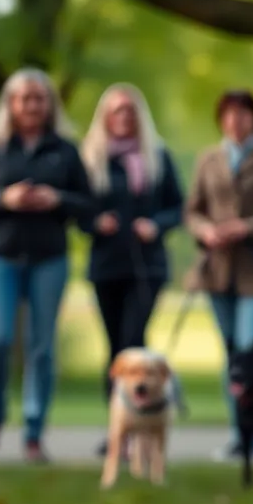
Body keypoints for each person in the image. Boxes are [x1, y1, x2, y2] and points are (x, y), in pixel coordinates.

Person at [0, 67, 95, 462]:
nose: (32, 105)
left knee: (41, 347)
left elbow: (88, 205)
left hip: (49, 258)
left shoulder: (65, 150)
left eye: (39, 98)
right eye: (24, 98)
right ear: (11, 104)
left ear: (49, 104)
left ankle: (34, 430)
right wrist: (3, 198)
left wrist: (58, 200)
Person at [184, 90, 253, 460]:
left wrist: (247, 226)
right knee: (232, 353)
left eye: (243, 114)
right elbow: (193, 210)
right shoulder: (208, 159)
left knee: (250, 347)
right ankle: (241, 434)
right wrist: (206, 230)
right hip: (217, 271)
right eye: (229, 114)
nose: (236, 121)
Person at [79, 84, 184, 456]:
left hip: (147, 267)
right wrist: (95, 222)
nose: (123, 116)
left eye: (128, 110)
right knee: (115, 351)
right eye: (116, 110)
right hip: (106, 266)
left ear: (138, 115)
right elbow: (77, 209)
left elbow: (178, 207)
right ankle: (119, 429)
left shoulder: (158, 156)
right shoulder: (91, 158)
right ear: (105, 116)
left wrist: (155, 224)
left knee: (132, 340)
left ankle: (143, 425)